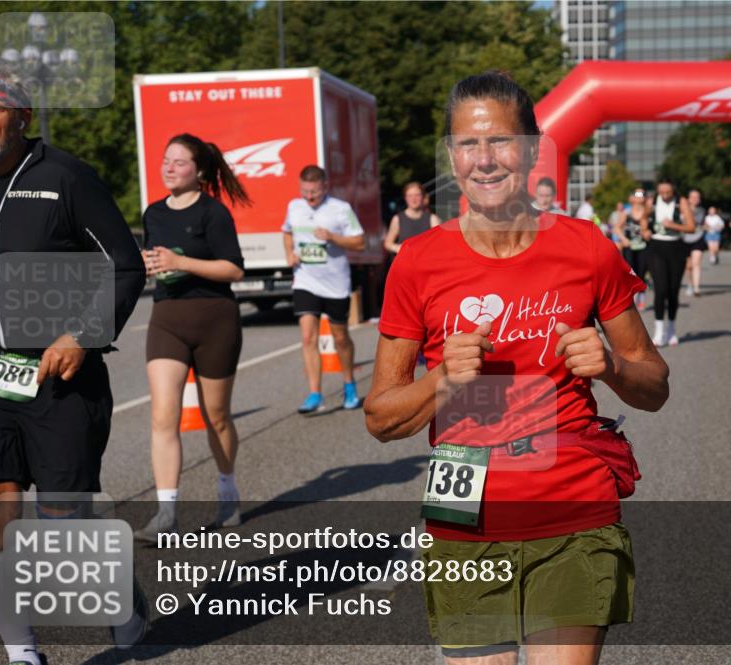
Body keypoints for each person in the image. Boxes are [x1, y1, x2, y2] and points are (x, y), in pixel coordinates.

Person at [365, 71, 670, 665]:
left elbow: (654, 386)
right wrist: (439, 382)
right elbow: (381, 418)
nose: (484, 160)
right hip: (464, 514)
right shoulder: (419, 263)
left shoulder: (586, 247)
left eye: (500, 141)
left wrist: (609, 366)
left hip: (572, 506)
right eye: (467, 144)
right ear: (451, 157)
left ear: (531, 149)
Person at [0, 62, 148, 664]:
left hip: (59, 377)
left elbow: (124, 265)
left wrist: (81, 334)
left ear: (23, 116)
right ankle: (23, 652)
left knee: (65, 518)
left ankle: (120, 599)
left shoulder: (65, 176)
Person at [135, 134, 249, 542]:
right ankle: (166, 513)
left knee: (215, 416)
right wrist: (151, 266)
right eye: (165, 160)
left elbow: (234, 270)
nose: (168, 167)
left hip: (214, 318)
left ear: (198, 172)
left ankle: (227, 487)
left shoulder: (214, 214)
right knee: (163, 415)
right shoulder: (153, 213)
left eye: (178, 162)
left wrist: (180, 260)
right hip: (167, 316)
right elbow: (158, 262)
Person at [283, 165, 365, 413]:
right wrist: (289, 253)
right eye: (305, 191)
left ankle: (349, 383)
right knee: (308, 337)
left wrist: (333, 237)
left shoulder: (341, 209)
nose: (309, 197)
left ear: (325, 187)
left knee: (340, 338)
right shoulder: (294, 207)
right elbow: (287, 232)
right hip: (305, 281)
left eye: (314, 192)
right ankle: (315, 393)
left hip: (335, 284)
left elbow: (360, 242)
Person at [641, 179, 695, 347]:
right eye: (661, 193)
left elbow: (691, 227)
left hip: (676, 247)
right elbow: (643, 219)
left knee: (672, 291)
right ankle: (658, 332)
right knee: (660, 289)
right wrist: (645, 231)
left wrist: (673, 225)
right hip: (656, 246)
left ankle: (671, 329)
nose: (664, 196)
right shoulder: (651, 202)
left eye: (668, 193)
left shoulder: (682, 202)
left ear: (673, 191)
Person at [615, 189, 650, 312]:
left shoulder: (648, 212)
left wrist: (649, 233)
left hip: (644, 247)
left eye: (642, 195)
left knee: (642, 272)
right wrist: (623, 239)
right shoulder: (627, 212)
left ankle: (642, 297)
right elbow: (617, 227)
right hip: (629, 247)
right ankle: (632, 298)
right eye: (637, 195)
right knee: (631, 273)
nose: (640, 198)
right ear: (633, 198)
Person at [383, 181, 442, 254]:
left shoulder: (433, 219)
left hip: (426, 262)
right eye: (410, 196)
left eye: (417, 195)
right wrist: (398, 248)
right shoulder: (397, 219)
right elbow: (388, 243)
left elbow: (439, 243)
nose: (414, 199)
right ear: (405, 198)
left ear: (423, 197)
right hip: (405, 262)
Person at [682, 189, 706, 297]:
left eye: (698, 197)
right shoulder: (681, 210)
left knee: (696, 263)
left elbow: (697, 222)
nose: (696, 199)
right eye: (693, 197)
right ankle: (690, 284)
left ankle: (697, 288)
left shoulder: (701, 211)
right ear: (688, 199)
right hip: (685, 239)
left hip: (698, 238)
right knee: (689, 266)